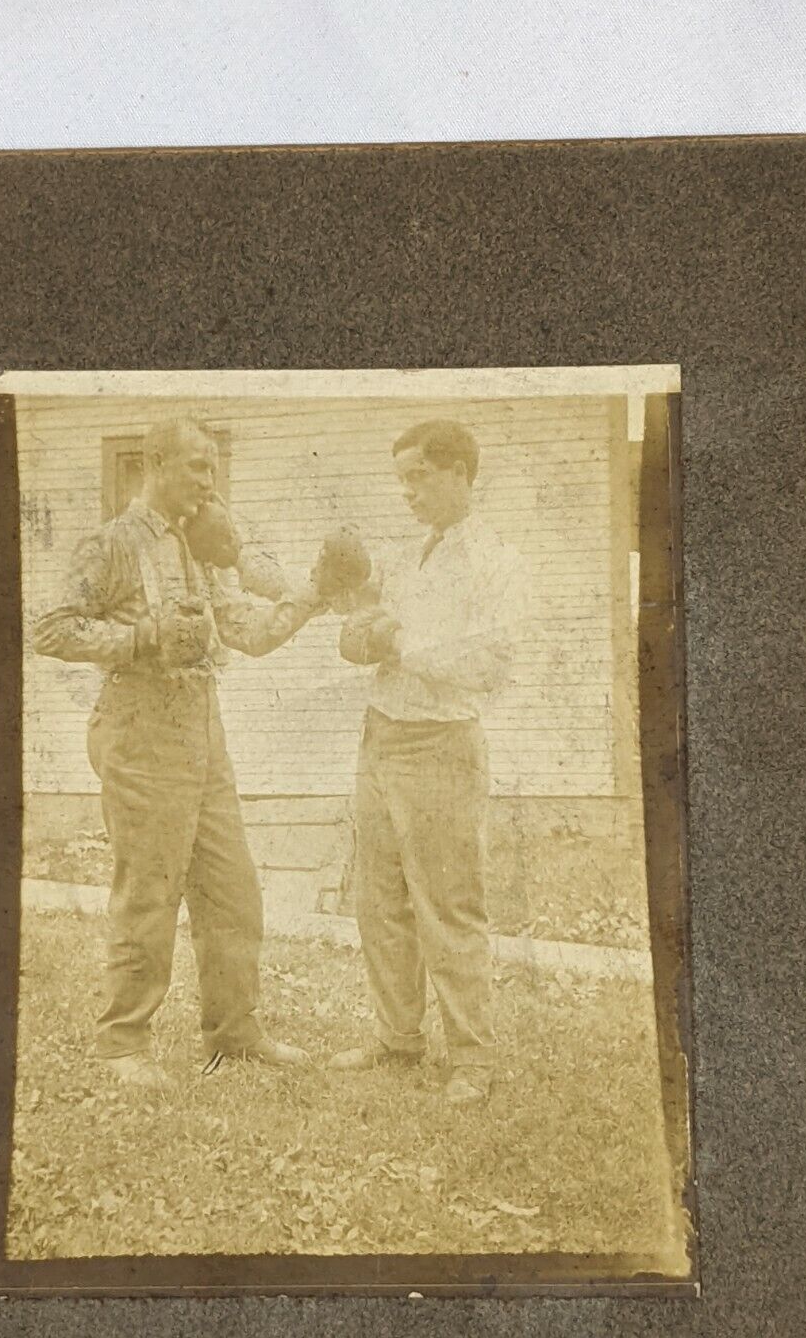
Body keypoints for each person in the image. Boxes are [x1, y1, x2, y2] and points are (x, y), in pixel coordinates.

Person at [33, 414, 345, 1088]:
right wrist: (141, 638)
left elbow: (248, 633)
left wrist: (314, 594)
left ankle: (235, 1032)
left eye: (213, 466)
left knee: (233, 891)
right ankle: (123, 1044)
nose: (210, 480)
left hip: (205, 734)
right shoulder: (112, 544)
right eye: (199, 466)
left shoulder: (202, 550)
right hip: (140, 729)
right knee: (149, 891)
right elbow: (51, 630)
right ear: (158, 465)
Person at [331, 418, 527, 1105]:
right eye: (402, 480)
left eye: (419, 477)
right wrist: (359, 633)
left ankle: (472, 1056)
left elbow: (493, 661)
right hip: (380, 735)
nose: (408, 493)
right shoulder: (408, 552)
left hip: (441, 745)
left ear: (460, 474)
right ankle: (398, 1040)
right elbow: (364, 622)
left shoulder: (493, 557)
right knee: (377, 899)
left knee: (447, 906)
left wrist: (398, 644)